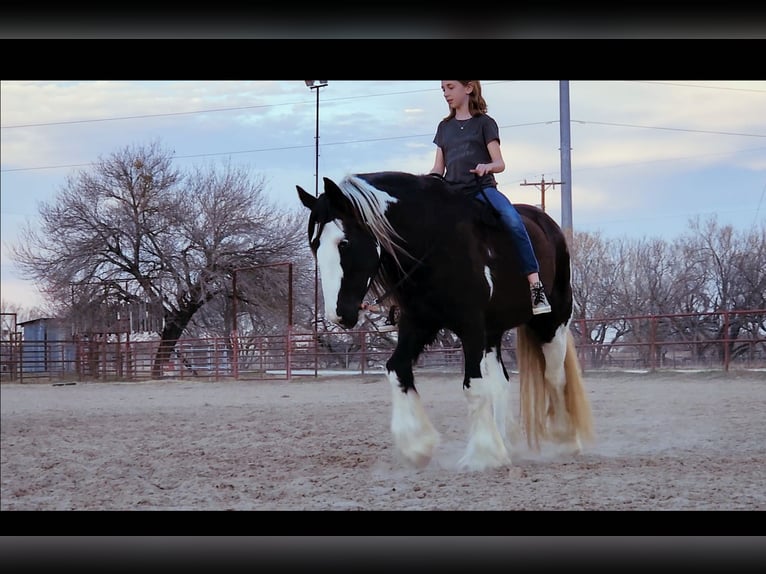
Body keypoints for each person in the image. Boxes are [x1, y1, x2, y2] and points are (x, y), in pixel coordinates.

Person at [429, 80, 552, 315]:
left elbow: (500, 163)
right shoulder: (444, 127)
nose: (446, 93)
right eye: (443, 89)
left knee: (513, 221)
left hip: (481, 189)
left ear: (468, 88)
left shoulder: (485, 123)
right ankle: (400, 303)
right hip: (452, 193)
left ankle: (536, 286)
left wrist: (487, 166)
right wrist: (425, 181)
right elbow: (438, 167)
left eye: (450, 87)